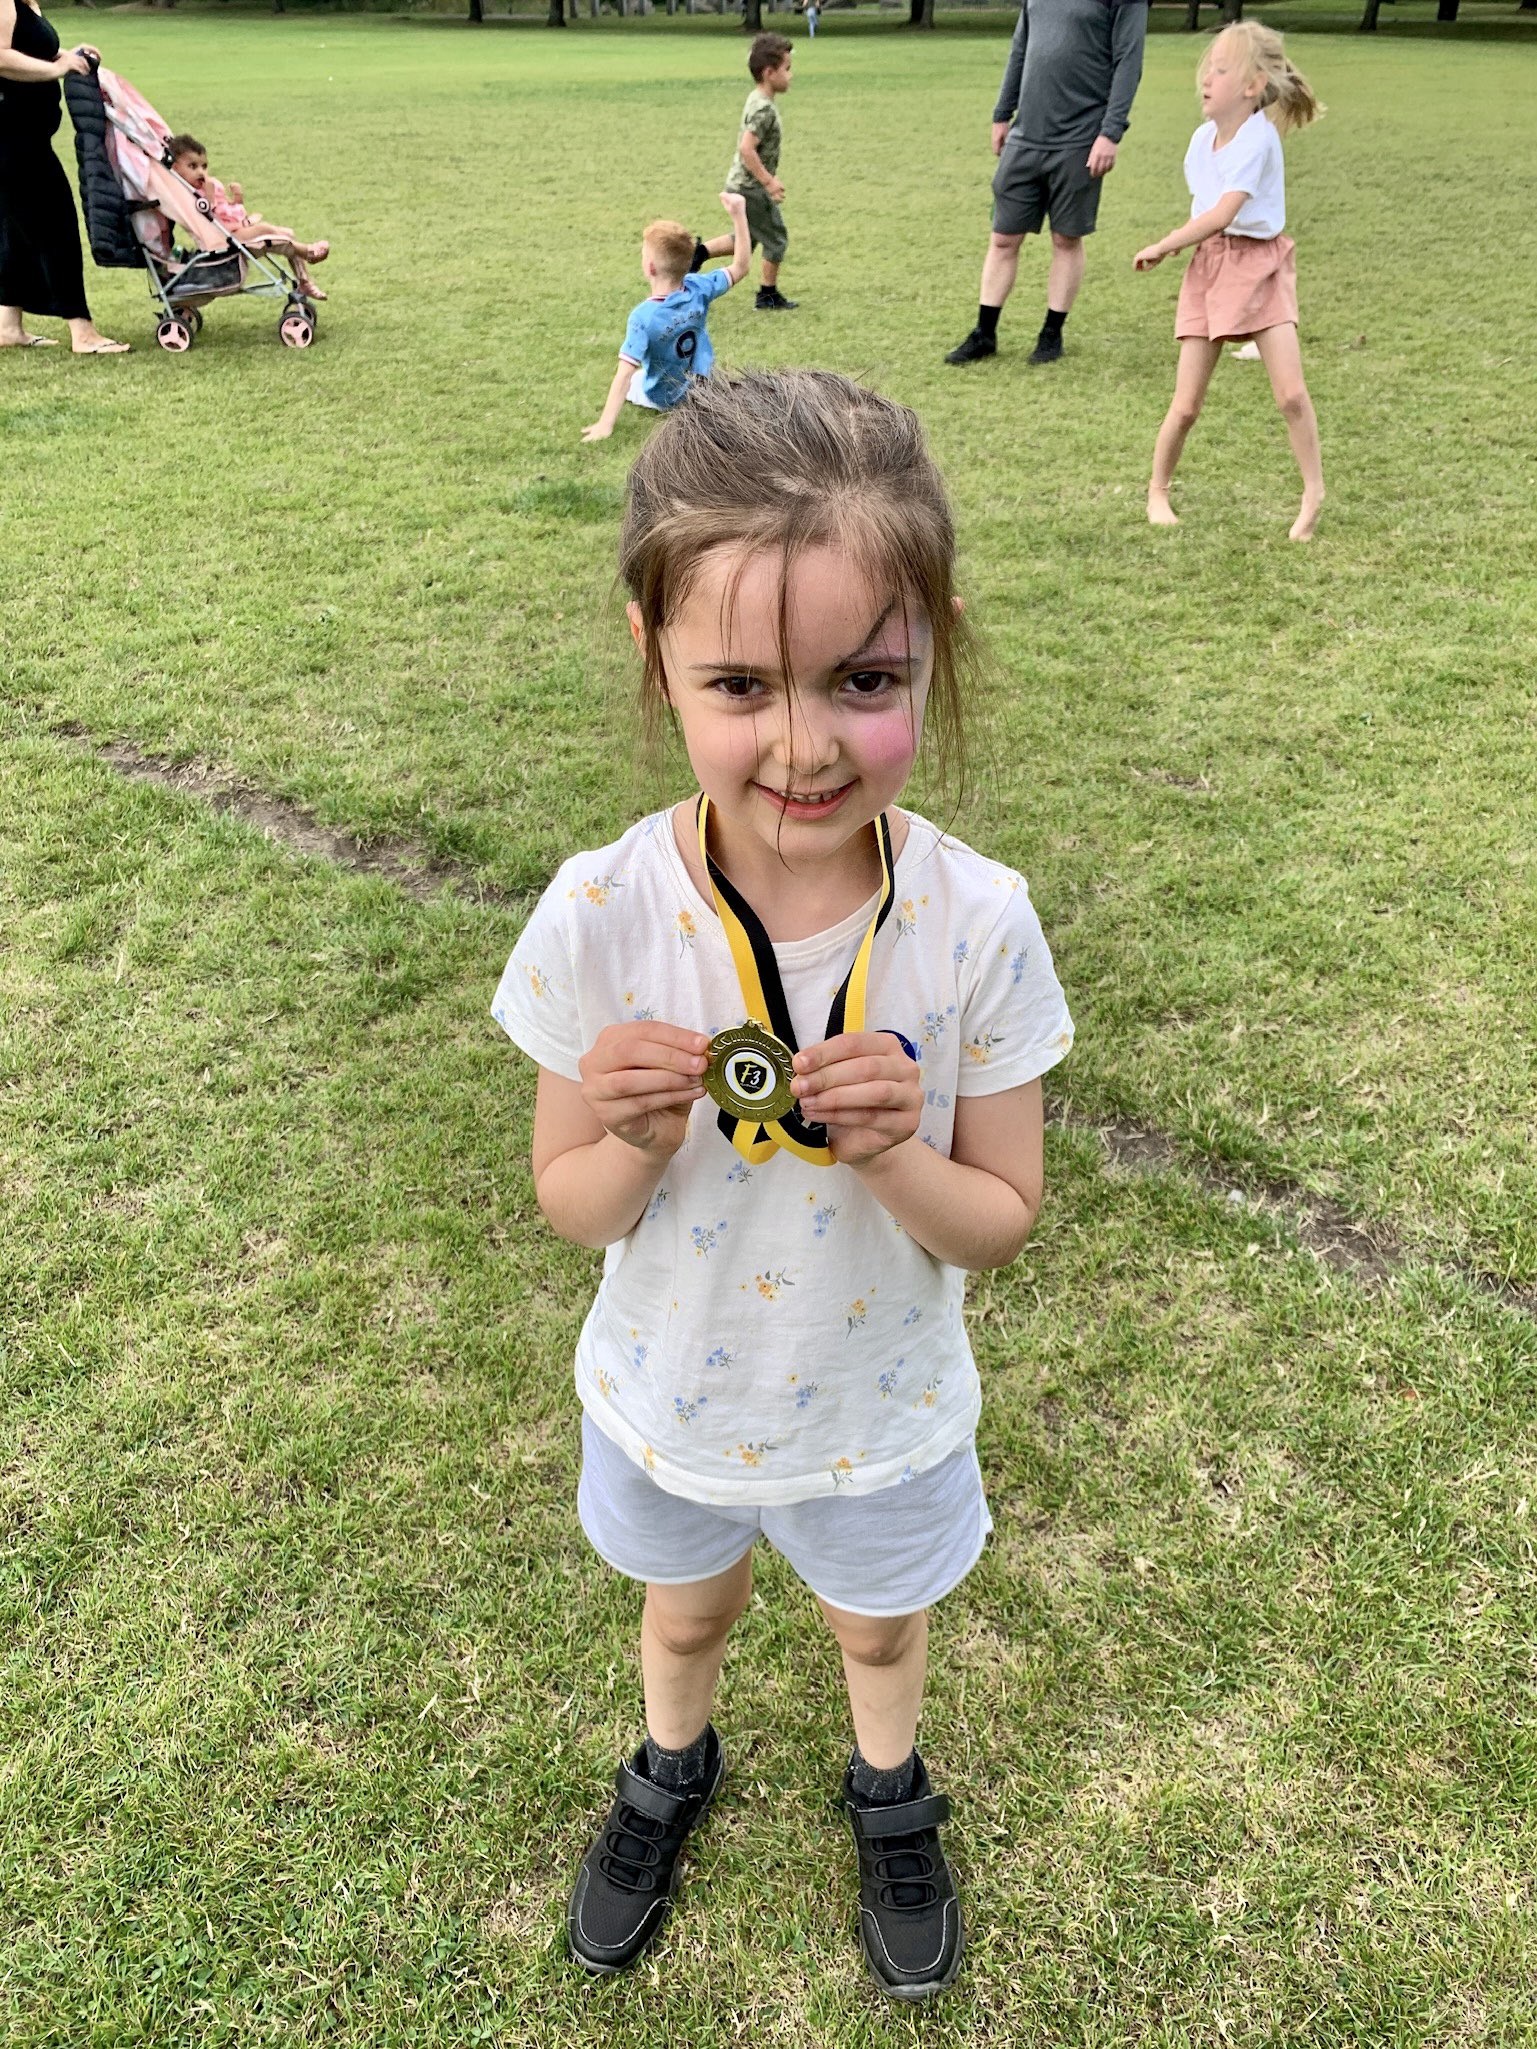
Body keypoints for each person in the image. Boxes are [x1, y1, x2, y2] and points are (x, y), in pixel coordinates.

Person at [492, 368, 1074, 2000]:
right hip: (675, 1386)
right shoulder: (603, 910)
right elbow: (570, 1202)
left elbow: (1003, 1223)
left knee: (877, 1631)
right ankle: (669, 1761)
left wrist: (898, 1148)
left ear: (931, 646)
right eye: (740, 682)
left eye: (864, 677)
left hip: (876, 1398)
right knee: (683, 1618)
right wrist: (625, 1132)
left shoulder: (976, 923)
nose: (806, 743)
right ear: (653, 659)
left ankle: (887, 1785)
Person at [1133, 22, 1324, 540]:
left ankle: (1313, 492)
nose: (1206, 80)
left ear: (1252, 85)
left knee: (1290, 395)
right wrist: (1186, 247)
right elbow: (1211, 221)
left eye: (1221, 70)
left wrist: (1164, 244)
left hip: (1261, 265)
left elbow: (1222, 213)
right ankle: (1158, 490)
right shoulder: (1201, 141)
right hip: (1210, 266)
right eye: (1207, 69)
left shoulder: (1259, 140)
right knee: (1187, 403)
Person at [945, 0, 1147, 368]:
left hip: (1081, 136)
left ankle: (1051, 333)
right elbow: (1021, 47)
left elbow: (1129, 61)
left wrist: (1111, 132)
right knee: (1003, 237)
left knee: (1065, 238)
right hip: (1026, 134)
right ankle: (984, 333)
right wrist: (1002, 113)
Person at [0, 2, 127, 353]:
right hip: (11, 137)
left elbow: (34, 49)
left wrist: (69, 55)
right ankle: (83, 332)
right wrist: (58, 70)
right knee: (56, 225)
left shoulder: (27, 3)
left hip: (28, 135)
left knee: (17, 231)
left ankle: (7, 326)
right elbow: (1, 57)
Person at [582, 196, 750, 444]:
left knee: (635, 379)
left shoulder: (643, 317)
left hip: (664, 397)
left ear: (650, 267)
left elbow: (624, 375)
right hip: (704, 387)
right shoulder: (699, 287)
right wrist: (738, 215)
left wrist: (605, 423)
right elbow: (741, 266)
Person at [692, 33, 796, 313]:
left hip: (740, 184)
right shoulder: (763, 109)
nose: (791, 75)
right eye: (787, 69)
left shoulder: (758, 99)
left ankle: (698, 253)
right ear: (769, 73)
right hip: (751, 188)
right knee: (776, 237)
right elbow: (747, 149)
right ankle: (767, 294)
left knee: (745, 240)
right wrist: (768, 181)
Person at [166, 134, 331, 301]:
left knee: (286, 233)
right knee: (265, 230)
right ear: (175, 167)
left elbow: (224, 208)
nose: (201, 172)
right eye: (193, 166)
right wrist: (208, 195)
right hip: (225, 238)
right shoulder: (184, 194)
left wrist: (236, 198)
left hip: (235, 229)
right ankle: (307, 252)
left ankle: (305, 281)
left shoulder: (203, 187)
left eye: (204, 166)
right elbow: (207, 216)